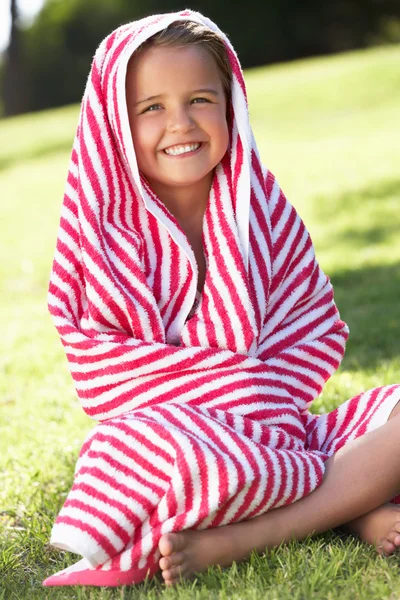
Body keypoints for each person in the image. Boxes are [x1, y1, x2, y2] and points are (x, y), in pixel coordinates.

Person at [43, 9, 400, 588]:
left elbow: (311, 326)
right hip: (179, 436)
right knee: (142, 453)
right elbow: (98, 363)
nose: (180, 124)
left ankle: (277, 519)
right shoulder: (100, 230)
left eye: (201, 100)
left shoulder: (258, 207)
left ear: (231, 102)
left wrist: (265, 415)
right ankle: (344, 496)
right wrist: (234, 391)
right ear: (115, 122)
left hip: (280, 429)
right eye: (151, 107)